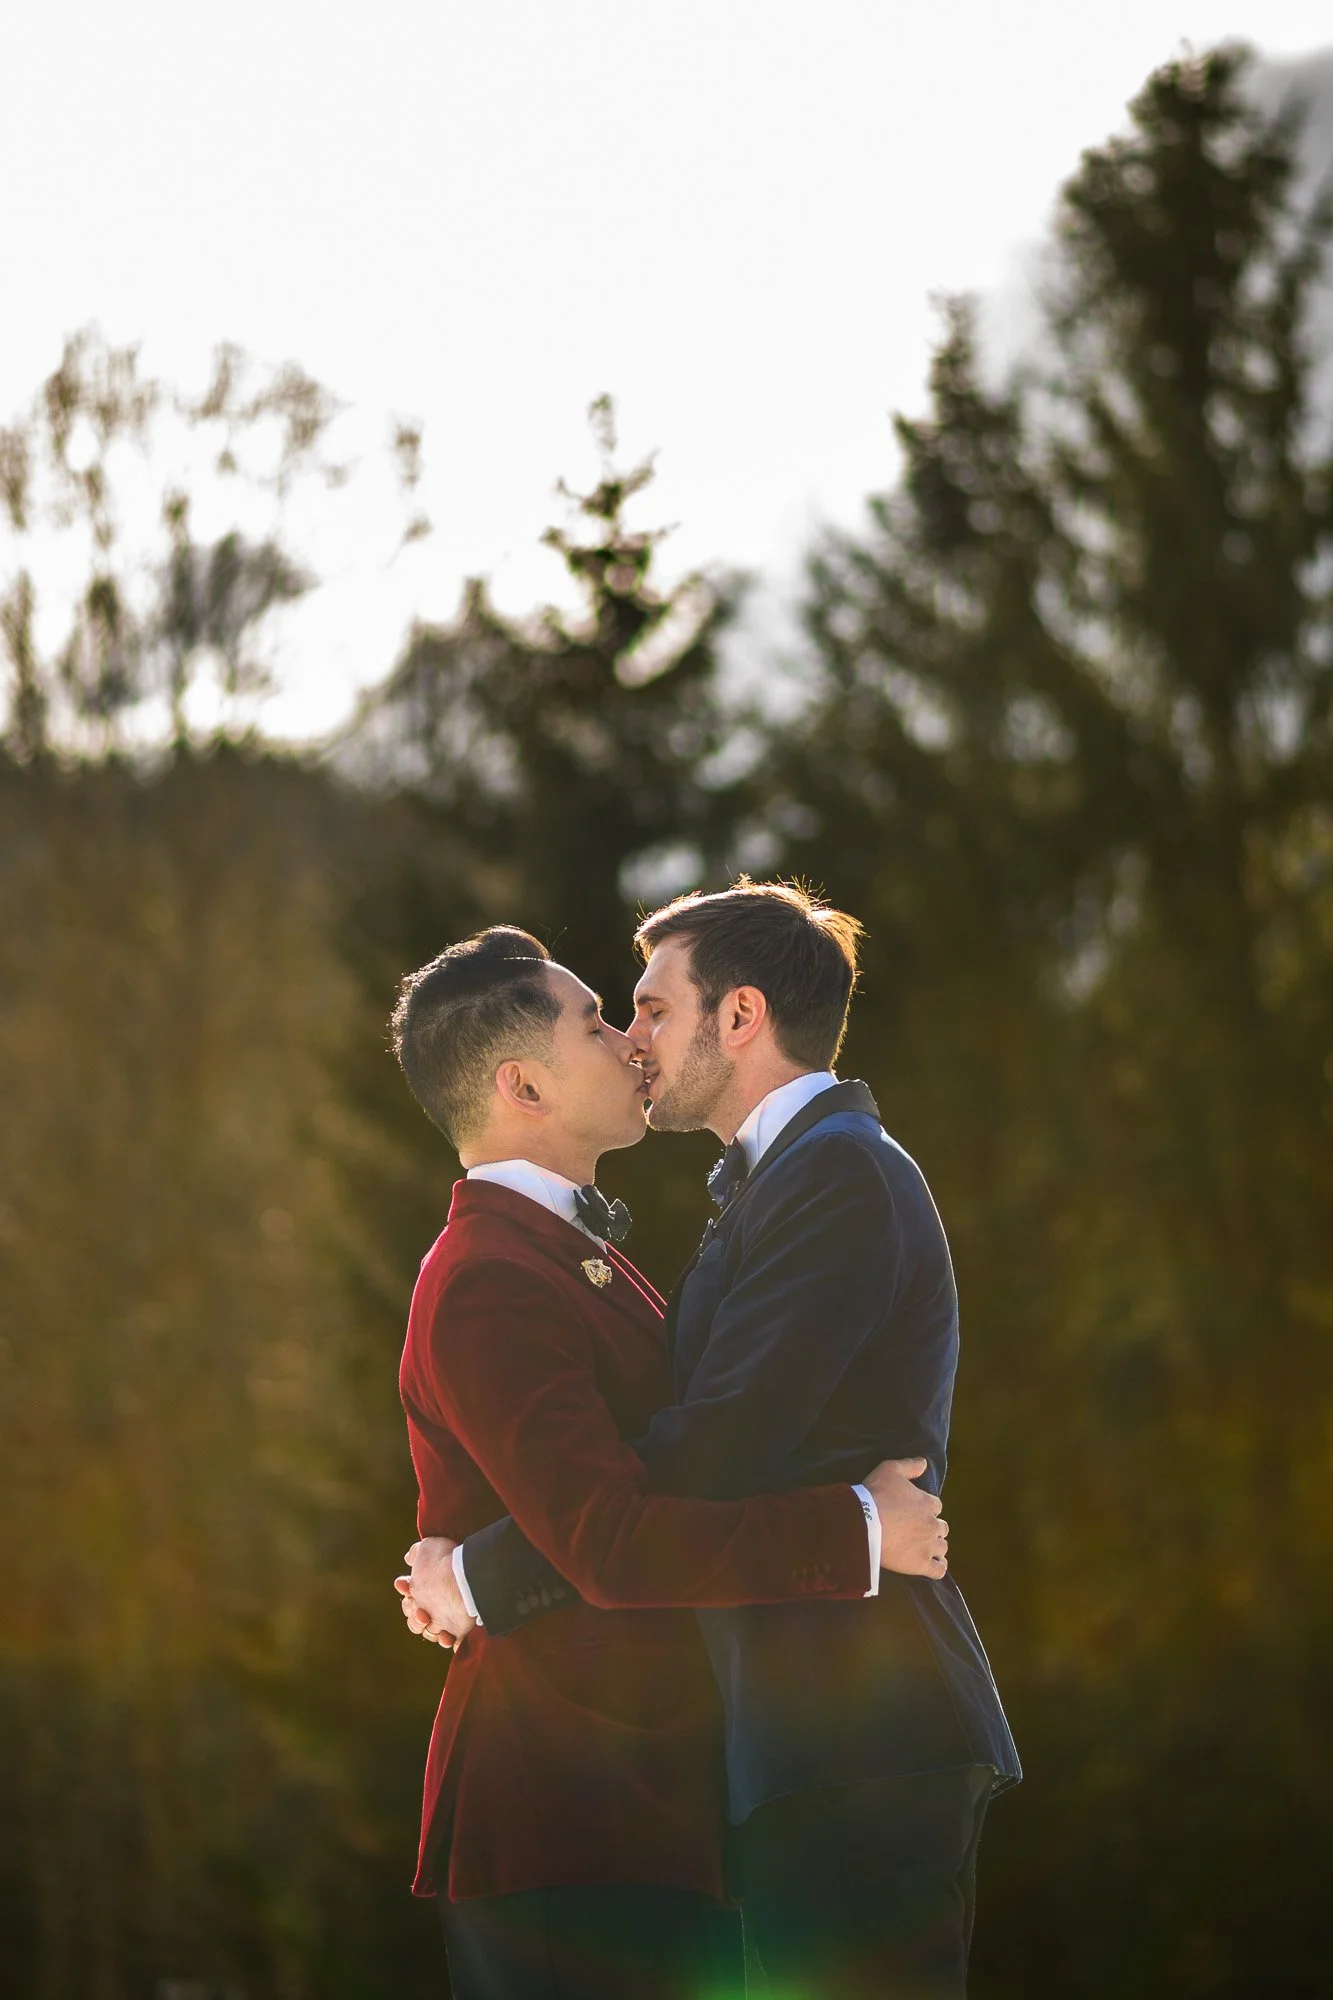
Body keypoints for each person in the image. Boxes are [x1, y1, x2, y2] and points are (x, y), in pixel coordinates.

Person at [408, 883, 1021, 1999]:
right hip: (767, 1743)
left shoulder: (836, 1174)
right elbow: (646, 1481)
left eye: (643, 1008)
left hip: (853, 1722)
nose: (633, 1041)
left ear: (736, 1018)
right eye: (607, 1018)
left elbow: (711, 1449)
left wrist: (485, 1574)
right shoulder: (768, 1188)